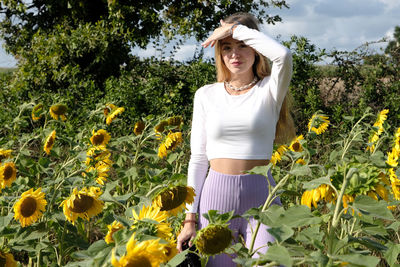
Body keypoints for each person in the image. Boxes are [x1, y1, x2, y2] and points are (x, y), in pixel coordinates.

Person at [177, 12, 295, 266]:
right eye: (227, 47)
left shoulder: (270, 90)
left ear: (256, 49)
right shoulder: (206, 95)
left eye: (243, 46)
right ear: (219, 53)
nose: (234, 54)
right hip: (215, 199)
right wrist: (190, 219)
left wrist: (234, 30)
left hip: (262, 196)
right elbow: (198, 159)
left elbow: (283, 56)